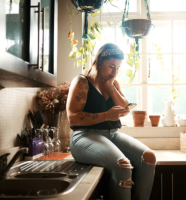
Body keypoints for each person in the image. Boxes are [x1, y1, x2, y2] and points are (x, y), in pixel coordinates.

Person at [66, 43, 156, 200]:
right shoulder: (82, 81)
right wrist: (106, 115)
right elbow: (72, 117)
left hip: (112, 135)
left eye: (118, 68)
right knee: (123, 166)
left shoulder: (113, 82)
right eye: (111, 66)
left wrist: (110, 85)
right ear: (99, 62)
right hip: (84, 136)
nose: (114, 72)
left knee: (149, 158)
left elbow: (124, 107)